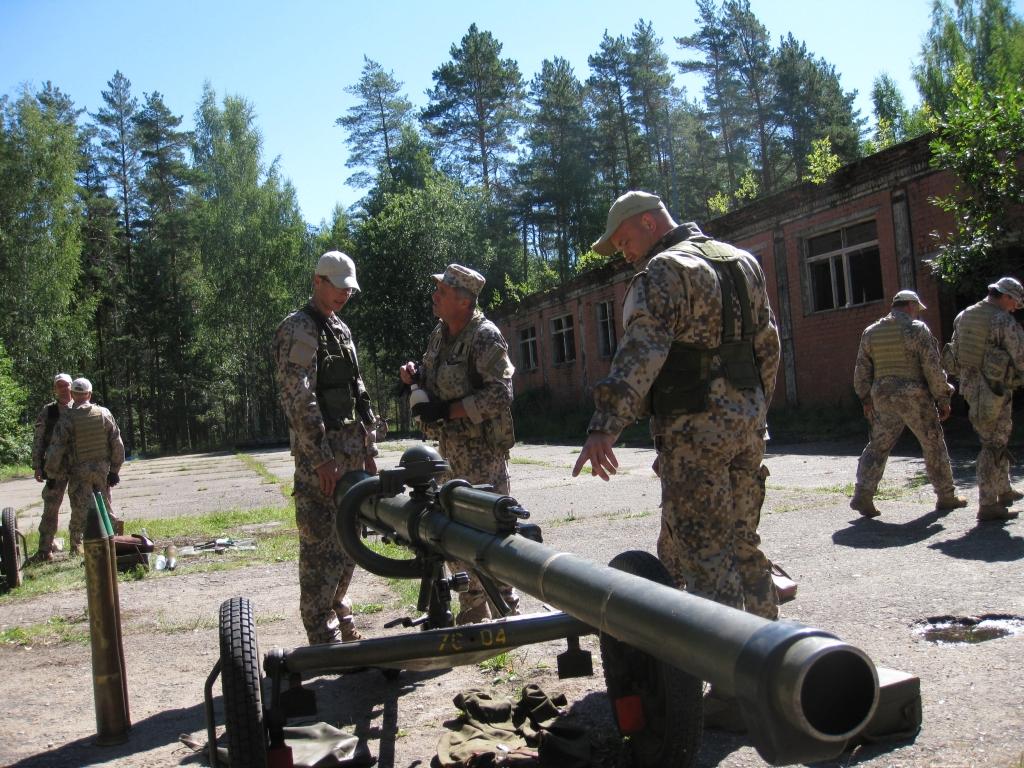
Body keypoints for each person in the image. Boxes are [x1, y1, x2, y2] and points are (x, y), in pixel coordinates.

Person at [572, 191, 779, 621]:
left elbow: (642, 352)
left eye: (625, 240)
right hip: (748, 425)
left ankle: (728, 674)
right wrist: (755, 410)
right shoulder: (744, 261)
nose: (625, 254)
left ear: (649, 223)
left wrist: (605, 426)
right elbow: (769, 347)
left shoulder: (663, 270)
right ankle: (771, 660)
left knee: (706, 555)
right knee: (744, 542)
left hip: (694, 430)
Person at [399, 264, 519, 625]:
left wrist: (449, 411)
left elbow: (501, 393)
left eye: (443, 291)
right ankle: (472, 610)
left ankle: (506, 616)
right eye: (437, 289)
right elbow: (435, 374)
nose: (435, 296)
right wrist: (416, 376)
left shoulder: (485, 336)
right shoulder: (440, 333)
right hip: (446, 456)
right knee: (451, 536)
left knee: (491, 535)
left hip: (482, 457)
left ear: (464, 301)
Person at [273, 251, 382, 644]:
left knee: (350, 542)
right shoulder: (298, 328)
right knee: (321, 546)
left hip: (352, 454)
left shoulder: (341, 329)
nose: (344, 295)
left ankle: (341, 616)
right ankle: (322, 635)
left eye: (348, 289)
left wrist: (369, 448)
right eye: (338, 287)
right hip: (323, 459)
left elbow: (358, 390)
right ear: (318, 281)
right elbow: (297, 396)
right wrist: (320, 457)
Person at [849, 290, 967, 518]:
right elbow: (932, 367)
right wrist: (943, 397)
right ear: (911, 306)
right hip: (914, 396)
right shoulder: (916, 329)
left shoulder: (871, 332)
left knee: (878, 446)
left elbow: (862, 369)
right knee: (933, 443)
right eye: (917, 309)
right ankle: (946, 496)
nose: (918, 314)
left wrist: (865, 398)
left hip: (882, 396)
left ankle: (863, 494)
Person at [948, 277, 1024, 522]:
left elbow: (956, 353)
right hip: (994, 389)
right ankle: (988, 504)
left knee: (997, 436)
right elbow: (1020, 356)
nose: (1015, 308)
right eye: (1015, 302)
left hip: (972, 389)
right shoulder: (1002, 319)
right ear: (1005, 296)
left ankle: (1003, 489)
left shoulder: (964, 315)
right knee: (992, 443)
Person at [44, 377, 125, 555]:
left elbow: (56, 448)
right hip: (102, 471)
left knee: (79, 510)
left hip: (79, 472)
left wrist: (50, 473)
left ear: (73, 393)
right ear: (89, 394)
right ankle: (113, 542)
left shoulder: (67, 417)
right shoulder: (104, 413)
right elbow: (117, 443)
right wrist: (114, 470)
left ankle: (77, 548)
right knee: (105, 505)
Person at [27, 373, 74, 563]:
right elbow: (38, 440)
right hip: (55, 468)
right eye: (59, 386)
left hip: (79, 466)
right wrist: (37, 465)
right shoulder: (48, 411)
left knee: (81, 508)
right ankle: (44, 549)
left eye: (66, 385)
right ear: (55, 389)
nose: (63, 389)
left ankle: (77, 546)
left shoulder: (81, 407)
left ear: (72, 386)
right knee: (50, 509)